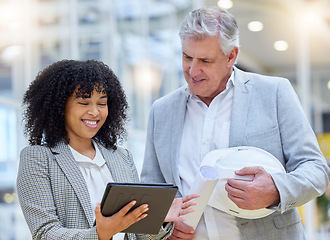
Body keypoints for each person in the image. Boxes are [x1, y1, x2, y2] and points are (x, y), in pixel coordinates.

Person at [141, 6, 330, 240]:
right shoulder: (162, 111)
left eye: (205, 60)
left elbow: (316, 169)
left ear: (231, 56)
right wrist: (164, 230)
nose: (192, 70)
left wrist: (275, 190)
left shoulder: (274, 93)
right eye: (187, 57)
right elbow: (151, 191)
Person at [16, 59, 198, 240]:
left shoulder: (121, 158)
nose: (95, 112)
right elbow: (44, 233)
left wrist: (158, 219)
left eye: (102, 104)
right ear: (60, 107)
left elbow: (137, 235)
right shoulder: (38, 159)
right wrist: (100, 234)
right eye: (84, 103)